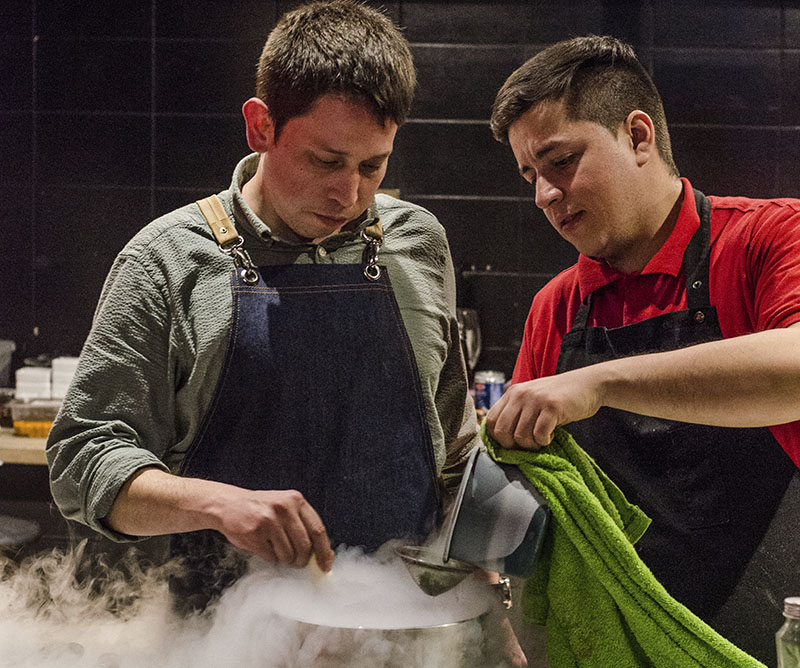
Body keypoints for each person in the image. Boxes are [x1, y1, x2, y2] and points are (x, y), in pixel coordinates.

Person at [46, 0, 480, 613]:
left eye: (373, 166)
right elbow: (83, 458)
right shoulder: (168, 260)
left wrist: (489, 593)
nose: (349, 193)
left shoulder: (419, 243)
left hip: (400, 636)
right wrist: (220, 504)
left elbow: (456, 446)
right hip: (224, 636)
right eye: (326, 161)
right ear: (261, 127)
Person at [486, 35, 800, 663]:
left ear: (637, 135)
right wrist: (487, 604)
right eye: (531, 175)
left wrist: (597, 383)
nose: (544, 194)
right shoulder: (558, 305)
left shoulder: (767, 238)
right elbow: (515, 490)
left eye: (561, 160)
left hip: (768, 636)